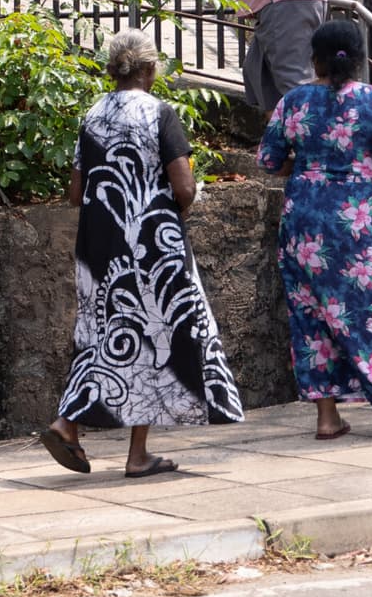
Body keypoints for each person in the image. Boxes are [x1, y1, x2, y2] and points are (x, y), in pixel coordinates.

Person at [40, 32, 244, 478]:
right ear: (150, 71)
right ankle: (122, 447)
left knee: (105, 333)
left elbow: (76, 192)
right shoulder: (160, 113)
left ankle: (77, 427)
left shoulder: (92, 114)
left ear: (113, 69)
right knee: (159, 335)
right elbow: (184, 187)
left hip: (98, 245)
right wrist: (182, 206)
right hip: (154, 243)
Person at [259, 19, 372, 438]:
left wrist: (306, 166)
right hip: (364, 222)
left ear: (314, 59)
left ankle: (327, 418)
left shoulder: (294, 100)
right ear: (358, 59)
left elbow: (268, 160)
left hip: (306, 220)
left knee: (313, 315)